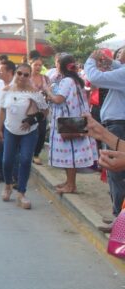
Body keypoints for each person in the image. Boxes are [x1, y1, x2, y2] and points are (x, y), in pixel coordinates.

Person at [0, 63, 48, 209]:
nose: (22, 77)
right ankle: (8, 185)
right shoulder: (6, 90)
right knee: (7, 161)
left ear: (29, 76)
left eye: (26, 75)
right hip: (10, 130)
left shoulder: (34, 93)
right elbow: (2, 110)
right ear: (15, 73)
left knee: (25, 160)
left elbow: (45, 111)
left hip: (29, 132)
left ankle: (21, 193)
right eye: (19, 73)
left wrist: (33, 119)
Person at [84, 48, 125, 231]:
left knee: (115, 174)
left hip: (118, 126)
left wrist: (91, 60)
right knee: (115, 174)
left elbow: (94, 77)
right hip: (116, 125)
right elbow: (115, 69)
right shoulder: (121, 71)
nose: (118, 56)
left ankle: (119, 219)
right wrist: (110, 62)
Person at [44, 55, 96, 194]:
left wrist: (47, 90)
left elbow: (59, 99)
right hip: (74, 119)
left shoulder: (67, 81)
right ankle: (69, 182)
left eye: (57, 64)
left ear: (62, 66)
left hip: (68, 122)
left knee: (70, 155)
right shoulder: (76, 80)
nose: (56, 66)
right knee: (71, 152)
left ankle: (71, 185)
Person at [29, 57, 50, 166]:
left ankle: (36, 154)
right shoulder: (26, 78)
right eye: (35, 65)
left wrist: (47, 96)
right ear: (31, 65)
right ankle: (28, 152)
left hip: (42, 110)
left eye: (40, 65)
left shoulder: (45, 78)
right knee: (29, 130)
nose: (38, 67)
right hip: (28, 110)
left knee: (41, 132)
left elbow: (49, 92)